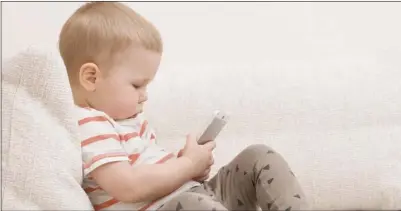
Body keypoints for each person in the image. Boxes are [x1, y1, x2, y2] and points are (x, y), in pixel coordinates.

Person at [58, 2, 308, 211]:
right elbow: (129, 186)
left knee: (258, 156)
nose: (144, 96)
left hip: (196, 195)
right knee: (193, 203)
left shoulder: (132, 119)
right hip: (169, 206)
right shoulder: (89, 123)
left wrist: (187, 167)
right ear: (91, 78)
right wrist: (187, 165)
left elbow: (154, 170)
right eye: (136, 85)